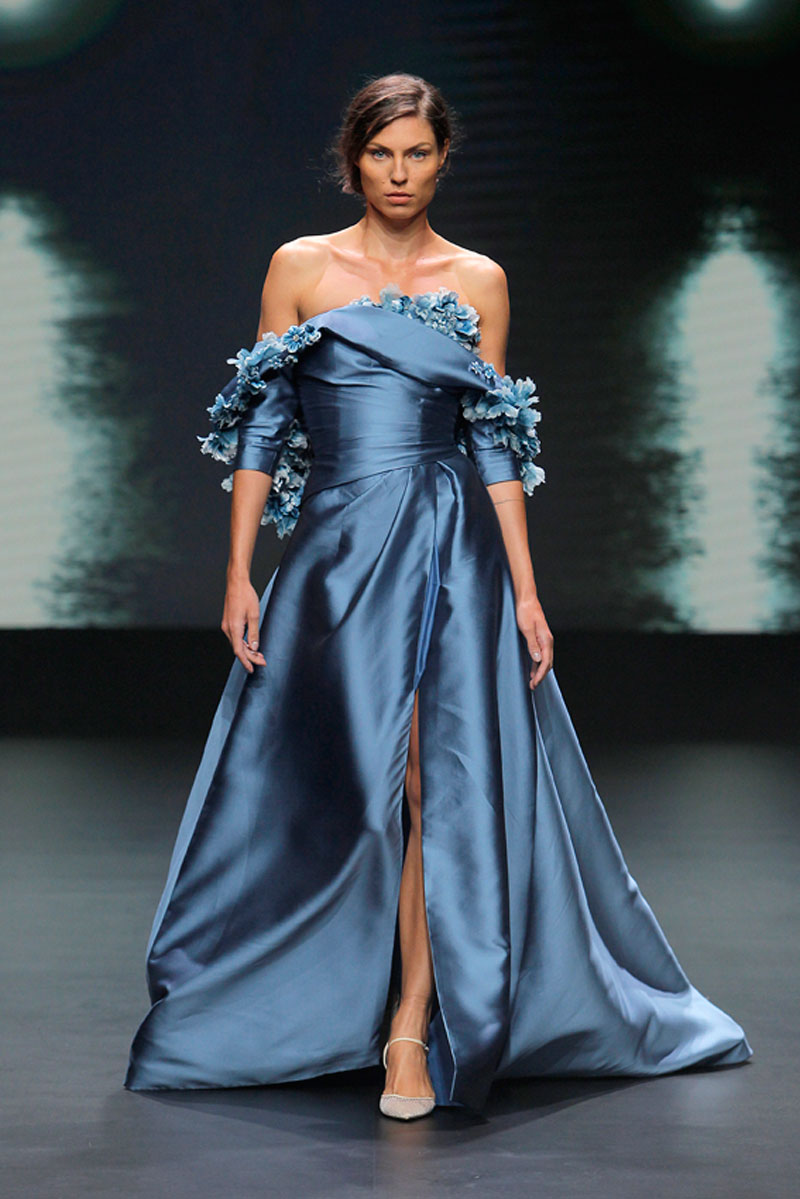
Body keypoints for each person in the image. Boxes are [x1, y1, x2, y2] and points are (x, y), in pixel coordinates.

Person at [123, 73, 752, 1121]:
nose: (400, 173)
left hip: (451, 551)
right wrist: (236, 572)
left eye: (418, 153)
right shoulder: (299, 267)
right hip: (335, 558)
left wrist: (527, 592)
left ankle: (410, 1022)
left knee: (428, 779)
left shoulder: (477, 281)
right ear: (354, 159)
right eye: (382, 153)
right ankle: (315, 994)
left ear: (443, 158)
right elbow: (261, 429)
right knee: (338, 779)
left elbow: (496, 442)